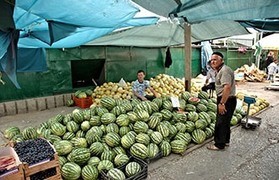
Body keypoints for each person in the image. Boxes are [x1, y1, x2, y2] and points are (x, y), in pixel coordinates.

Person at [207, 52, 237, 151]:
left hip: (226, 100)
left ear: (222, 60)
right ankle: (226, 141)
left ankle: (219, 145)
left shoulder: (224, 70)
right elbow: (221, 84)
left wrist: (222, 103)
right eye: (211, 60)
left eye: (215, 59)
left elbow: (227, 87)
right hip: (228, 99)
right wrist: (210, 86)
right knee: (225, 122)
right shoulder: (220, 70)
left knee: (220, 122)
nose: (212, 61)